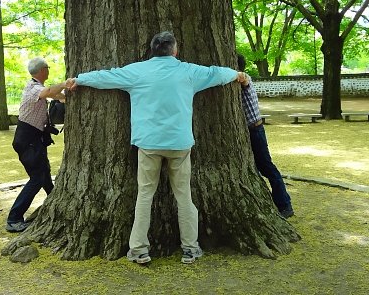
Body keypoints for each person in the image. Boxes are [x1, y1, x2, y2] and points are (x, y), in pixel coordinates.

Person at [65, 31, 242, 264]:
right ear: (175, 50)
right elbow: (216, 73)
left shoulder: (138, 71)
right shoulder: (189, 72)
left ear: (152, 49)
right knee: (184, 197)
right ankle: (190, 248)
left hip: (148, 143)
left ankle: (139, 249)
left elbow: (107, 77)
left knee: (145, 195)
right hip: (179, 144)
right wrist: (237, 74)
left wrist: (79, 79)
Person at [6, 57, 67, 232]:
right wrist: (64, 83)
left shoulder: (37, 88)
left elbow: (57, 96)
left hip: (34, 141)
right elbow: (48, 91)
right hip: (27, 141)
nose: (48, 70)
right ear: (42, 70)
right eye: (47, 67)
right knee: (37, 179)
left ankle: (56, 204)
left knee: (45, 175)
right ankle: (14, 218)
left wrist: (65, 95)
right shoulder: (33, 88)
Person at [236, 55, 294, 218]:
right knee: (259, 168)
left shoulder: (244, 78)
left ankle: (285, 205)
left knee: (267, 167)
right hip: (253, 131)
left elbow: (243, 79)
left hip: (256, 131)